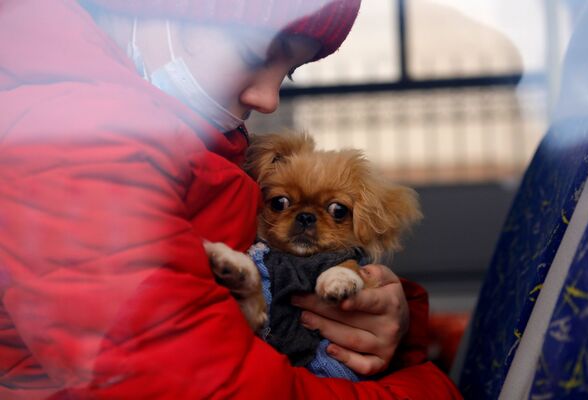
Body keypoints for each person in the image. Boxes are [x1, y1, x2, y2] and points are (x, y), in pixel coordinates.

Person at [0, 0, 462, 398]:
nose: (268, 98)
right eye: (253, 53)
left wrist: (387, 321)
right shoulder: (80, 142)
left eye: (289, 72)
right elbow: (203, 386)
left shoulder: (192, 144)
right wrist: (420, 389)